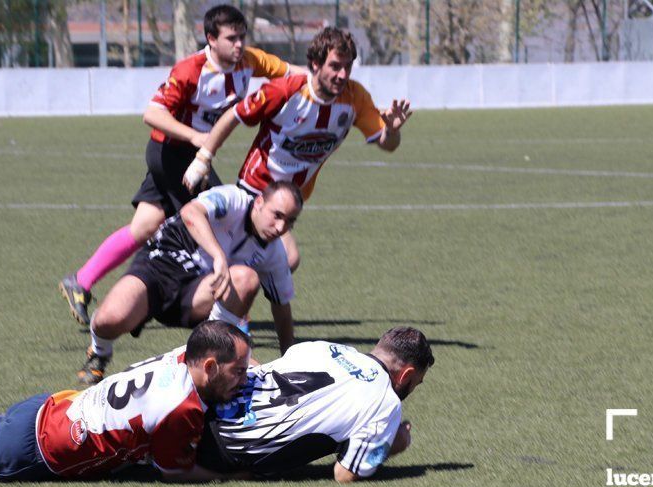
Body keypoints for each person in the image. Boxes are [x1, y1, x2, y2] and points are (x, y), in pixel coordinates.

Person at [59, 5, 306, 326]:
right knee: (222, 224)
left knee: (145, 225)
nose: (239, 45)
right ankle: (229, 316)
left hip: (190, 156)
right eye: (231, 38)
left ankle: (81, 280)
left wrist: (326, 82)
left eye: (242, 37)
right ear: (210, 39)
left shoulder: (250, 60)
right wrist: (198, 138)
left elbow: (295, 73)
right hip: (171, 154)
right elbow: (152, 114)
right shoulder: (190, 70)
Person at [0, 321, 250, 482]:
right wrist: (231, 477)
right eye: (239, 371)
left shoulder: (182, 355)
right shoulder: (185, 410)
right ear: (210, 366)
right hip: (39, 448)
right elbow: (175, 471)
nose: (244, 378)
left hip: (47, 409)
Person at [183, 27, 413, 270]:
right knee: (283, 260)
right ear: (315, 64)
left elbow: (387, 144)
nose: (342, 74)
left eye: (347, 67)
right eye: (335, 66)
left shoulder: (355, 98)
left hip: (293, 201)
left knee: (257, 268)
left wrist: (392, 131)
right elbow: (234, 115)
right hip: (256, 190)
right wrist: (203, 158)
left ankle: (227, 301)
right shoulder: (286, 90)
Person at [80, 181, 302, 385]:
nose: (281, 227)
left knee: (245, 278)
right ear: (260, 202)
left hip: (197, 293)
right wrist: (218, 255)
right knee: (109, 319)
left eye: (290, 221)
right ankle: (99, 352)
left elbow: (282, 310)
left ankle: (214, 346)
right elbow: (190, 212)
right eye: (277, 215)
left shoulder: (274, 255)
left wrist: (291, 367)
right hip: (160, 266)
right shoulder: (234, 200)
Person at [196, 326, 433, 483]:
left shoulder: (321, 346)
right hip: (222, 450)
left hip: (201, 403)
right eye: (416, 383)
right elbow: (345, 473)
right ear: (406, 375)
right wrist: (393, 444)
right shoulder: (385, 401)